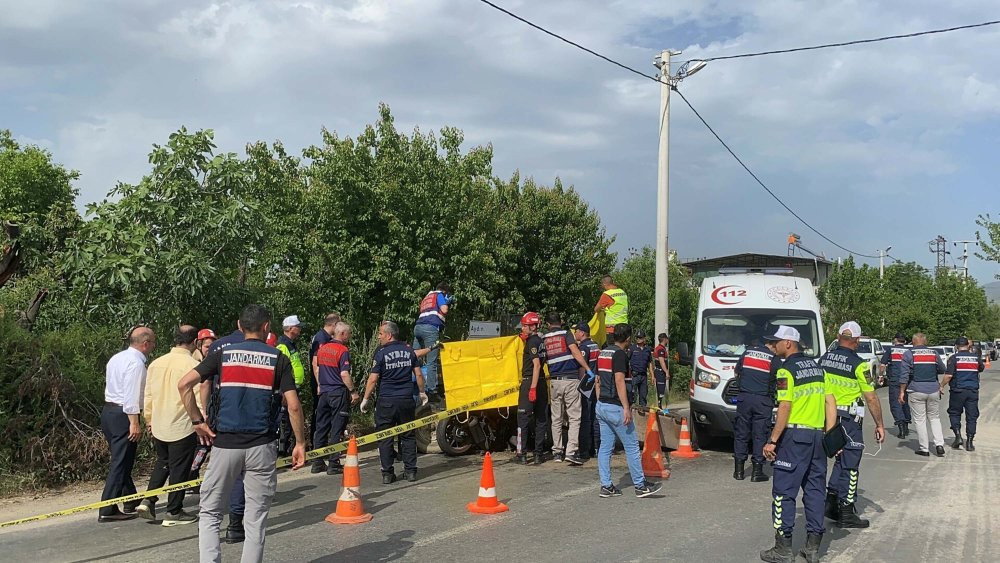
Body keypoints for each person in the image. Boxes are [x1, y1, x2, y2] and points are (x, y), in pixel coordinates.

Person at [178, 304, 306, 563]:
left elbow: (184, 384)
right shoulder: (277, 358)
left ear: (239, 325)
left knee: (211, 512)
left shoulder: (222, 353)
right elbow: (293, 405)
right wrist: (300, 442)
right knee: (256, 517)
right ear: (267, 327)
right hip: (262, 445)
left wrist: (197, 421)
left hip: (225, 443)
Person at [760, 325, 829, 563]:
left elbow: (785, 407)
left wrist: (772, 440)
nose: (773, 346)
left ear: (788, 343)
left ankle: (783, 548)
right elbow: (830, 402)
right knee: (815, 492)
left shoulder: (785, 370)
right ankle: (812, 548)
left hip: (794, 438)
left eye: (776, 342)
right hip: (818, 437)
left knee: (783, 493)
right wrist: (830, 434)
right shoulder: (818, 368)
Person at [819, 322, 886, 529]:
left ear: (838, 337)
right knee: (850, 464)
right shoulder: (859, 364)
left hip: (825, 416)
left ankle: (830, 503)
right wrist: (880, 424)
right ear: (857, 341)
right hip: (848, 419)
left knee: (840, 459)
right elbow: (871, 397)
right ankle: (847, 510)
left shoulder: (823, 359)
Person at [137, 325, 201, 526]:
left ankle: (149, 499)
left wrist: (148, 419)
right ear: (195, 342)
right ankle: (174, 511)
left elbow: (148, 395)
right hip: (182, 424)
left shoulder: (156, 363)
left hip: (159, 423)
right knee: (180, 469)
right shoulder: (192, 364)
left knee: (163, 462)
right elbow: (198, 397)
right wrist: (200, 421)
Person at [595, 323, 661, 499]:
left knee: (605, 447)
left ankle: (606, 485)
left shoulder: (603, 353)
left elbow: (597, 380)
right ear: (628, 338)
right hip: (616, 407)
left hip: (602, 405)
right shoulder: (619, 355)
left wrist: (599, 402)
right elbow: (619, 380)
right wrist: (625, 407)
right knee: (631, 446)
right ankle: (640, 485)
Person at [98, 326, 155, 523]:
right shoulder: (136, 364)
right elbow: (131, 395)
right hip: (124, 413)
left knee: (122, 458)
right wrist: (134, 422)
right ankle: (107, 507)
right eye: (153, 343)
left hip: (109, 411)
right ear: (145, 344)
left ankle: (129, 498)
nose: (153, 347)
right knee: (121, 461)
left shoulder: (117, 357)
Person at [360, 321, 428, 483]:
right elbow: (418, 374)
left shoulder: (381, 353)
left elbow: (373, 379)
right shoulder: (408, 350)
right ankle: (410, 471)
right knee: (408, 435)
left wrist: (365, 399)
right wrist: (422, 392)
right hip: (405, 400)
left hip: (386, 401)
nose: (378, 337)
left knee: (385, 437)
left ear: (389, 335)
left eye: (381, 334)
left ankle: (387, 474)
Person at [541, 311, 594, 465]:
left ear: (548, 324)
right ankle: (571, 452)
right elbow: (576, 352)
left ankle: (557, 452)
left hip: (554, 381)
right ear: (561, 321)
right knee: (574, 417)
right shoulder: (566, 334)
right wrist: (588, 369)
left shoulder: (545, 338)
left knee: (556, 418)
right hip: (570, 380)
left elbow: (543, 358)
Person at [732, 337, 780, 483]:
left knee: (741, 433)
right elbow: (779, 379)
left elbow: (736, 373)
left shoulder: (747, 353)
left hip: (744, 399)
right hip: (762, 401)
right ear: (772, 345)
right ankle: (757, 472)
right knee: (760, 435)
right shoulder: (773, 358)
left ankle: (739, 471)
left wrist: (743, 387)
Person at [312, 322, 357, 474]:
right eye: (348, 334)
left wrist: (319, 385)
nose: (349, 337)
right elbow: (344, 374)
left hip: (324, 393)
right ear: (342, 334)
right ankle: (333, 462)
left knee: (321, 428)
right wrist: (353, 391)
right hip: (338, 392)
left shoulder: (322, 348)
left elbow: (317, 368)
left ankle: (317, 462)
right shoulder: (343, 350)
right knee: (337, 427)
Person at [900, 333, 946, 457]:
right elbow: (942, 369)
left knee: (920, 420)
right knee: (934, 418)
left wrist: (901, 392)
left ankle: (924, 448)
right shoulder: (934, 353)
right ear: (925, 342)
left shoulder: (909, 354)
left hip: (916, 390)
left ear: (913, 342)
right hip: (933, 389)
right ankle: (939, 444)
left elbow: (904, 375)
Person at [514, 312, 548, 465]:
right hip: (541, 382)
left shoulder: (532, 342)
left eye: (525, 326)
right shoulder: (540, 341)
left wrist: (532, 388)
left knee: (523, 418)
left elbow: (536, 365)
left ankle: (521, 453)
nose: (522, 328)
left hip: (530, 382)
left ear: (533, 326)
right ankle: (538, 454)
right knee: (541, 418)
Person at [412, 282, 453, 404]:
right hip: (431, 328)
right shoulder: (440, 295)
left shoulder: (427, 297)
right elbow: (444, 310)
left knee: (414, 358)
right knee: (432, 362)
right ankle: (432, 392)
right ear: (445, 291)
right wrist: (447, 302)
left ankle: (412, 386)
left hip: (418, 327)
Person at [943, 337, 984, 451]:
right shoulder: (976, 358)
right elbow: (981, 368)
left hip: (958, 391)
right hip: (972, 391)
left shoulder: (954, 358)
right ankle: (970, 442)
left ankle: (958, 437)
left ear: (956, 346)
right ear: (968, 346)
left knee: (954, 413)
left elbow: (948, 376)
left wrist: (941, 386)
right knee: (972, 416)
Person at [276, 315, 305, 457]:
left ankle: (287, 450)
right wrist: (283, 392)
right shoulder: (283, 345)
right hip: (287, 391)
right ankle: (282, 453)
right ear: (290, 329)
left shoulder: (291, 344)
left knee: (290, 421)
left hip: (293, 388)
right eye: (298, 327)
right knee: (285, 422)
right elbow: (281, 371)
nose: (300, 329)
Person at [309, 313, 341, 437]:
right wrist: (319, 384)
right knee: (319, 414)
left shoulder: (324, 336)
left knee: (324, 414)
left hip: (324, 382)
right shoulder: (322, 338)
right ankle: (316, 442)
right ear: (333, 325)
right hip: (321, 382)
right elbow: (315, 363)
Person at [879, 333, 913, 437]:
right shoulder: (909, 350)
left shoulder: (891, 350)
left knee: (895, 403)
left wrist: (881, 376)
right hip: (907, 380)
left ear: (895, 340)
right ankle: (906, 425)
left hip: (895, 380)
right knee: (905, 402)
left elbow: (882, 365)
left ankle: (901, 428)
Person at [574, 322, 600, 460]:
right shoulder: (595, 345)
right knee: (595, 417)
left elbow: (582, 367)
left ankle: (584, 451)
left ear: (582, 333)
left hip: (586, 385)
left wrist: (579, 384)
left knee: (585, 418)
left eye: (576, 331)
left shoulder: (583, 347)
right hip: (595, 383)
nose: (575, 333)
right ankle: (596, 448)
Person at [594, 275, 628, 344]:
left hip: (613, 329)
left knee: (613, 350)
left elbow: (596, 309)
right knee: (623, 351)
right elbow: (616, 306)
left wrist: (602, 309)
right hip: (625, 327)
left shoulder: (607, 294)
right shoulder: (622, 292)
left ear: (604, 284)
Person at [628, 330, 654, 409]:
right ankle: (632, 414)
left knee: (643, 396)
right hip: (634, 375)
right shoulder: (632, 348)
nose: (638, 339)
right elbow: (627, 361)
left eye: (640, 337)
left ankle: (642, 413)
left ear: (644, 339)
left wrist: (652, 375)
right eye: (637, 338)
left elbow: (649, 363)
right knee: (633, 397)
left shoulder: (647, 350)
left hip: (643, 376)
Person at [653, 333, 670, 406]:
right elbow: (662, 361)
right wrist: (666, 372)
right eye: (667, 339)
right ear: (665, 339)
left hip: (660, 372)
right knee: (661, 390)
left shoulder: (661, 348)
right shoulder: (660, 350)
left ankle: (660, 406)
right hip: (660, 372)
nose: (668, 340)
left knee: (661, 390)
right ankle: (660, 407)